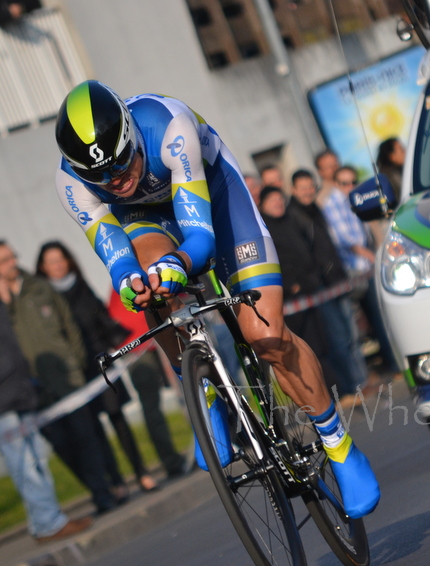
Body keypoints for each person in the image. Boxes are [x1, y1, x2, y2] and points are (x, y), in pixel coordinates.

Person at [53, 80, 379, 518]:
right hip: (145, 220)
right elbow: (116, 259)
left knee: (266, 338)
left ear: (131, 135)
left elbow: (201, 239)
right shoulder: (71, 182)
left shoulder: (170, 127)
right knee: (148, 283)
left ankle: (339, 445)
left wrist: (180, 263)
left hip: (215, 199)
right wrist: (133, 281)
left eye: (122, 163)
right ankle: (201, 389)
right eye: (103, 177)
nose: (118, 180)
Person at [0, 240, 117, 515]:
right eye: (4, 261)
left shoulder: (40, 288)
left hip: (65, 380)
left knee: (86, 438)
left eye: (12, 257)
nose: (12, 263)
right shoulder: (3, 304)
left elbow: (69, 326)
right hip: (32, 390)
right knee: (62, 446)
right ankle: (95, 488)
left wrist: (73, 364)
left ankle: (105, 494)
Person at [36, 241, 159, 496]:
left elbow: (102, 319)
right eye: (52, 262)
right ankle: (116, 481)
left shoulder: (80, 286)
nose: (58, 266)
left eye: (61, 259)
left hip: (101, 363)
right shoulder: (44, 297)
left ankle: (141, 472)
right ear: (43, 268)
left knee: (119, 420)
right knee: (93, 428)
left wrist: (118, 341)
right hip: (75, 369)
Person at [0, 300, 93, 542]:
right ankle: (49, 523)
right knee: (26, 465)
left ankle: (41, 522)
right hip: (4, 399)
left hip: (17, 391)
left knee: (35, 460)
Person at [258, 185, 355, 406]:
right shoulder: (267, 231)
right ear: (263, 205)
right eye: (272, 201)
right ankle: (326, 397)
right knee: (306, 349)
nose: (278, 204)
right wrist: (292, 284)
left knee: (323, 345)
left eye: (279, 199)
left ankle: (336, 392)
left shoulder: (291, 222)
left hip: (309, 294)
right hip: (291, 300)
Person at [286, 169, 370, 402]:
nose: (307, 191)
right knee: (338, 339)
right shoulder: (294, 215)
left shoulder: (316, 209)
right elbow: (304, 254)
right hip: (320, 286)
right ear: (293, 190)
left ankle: (362, 380)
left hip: (336, 280)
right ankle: (353, 385)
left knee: (351, 334)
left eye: (310, 186)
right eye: (302, 187)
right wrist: (315, 277)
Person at [323, 166, 400, 380]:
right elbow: (344, 239)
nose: (350, 186)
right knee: (363, 322)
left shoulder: (354, 200)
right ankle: (383, 367)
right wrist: (368, 255)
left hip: (365, 264)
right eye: (344, 183)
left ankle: (392, 362)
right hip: (354, 268)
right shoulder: (333, 204)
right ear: (336, 184)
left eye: (352, 181)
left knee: (378, 316)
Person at [107, 289, 188, 479]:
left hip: (162, 335)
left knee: (192, 388)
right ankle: (171, 461)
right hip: (140, 347)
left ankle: (219, 439)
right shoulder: (123, 281)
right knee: (152, 406)